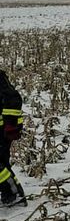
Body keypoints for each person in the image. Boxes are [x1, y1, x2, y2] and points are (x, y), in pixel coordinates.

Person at [0, 69, 26, 207]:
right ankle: (11, 194)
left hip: (3, 129)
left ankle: (13, 194)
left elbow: (13, 99)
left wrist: (11, 125)